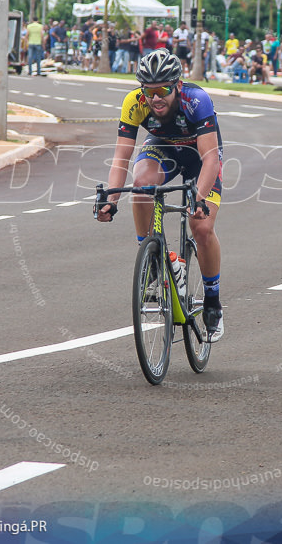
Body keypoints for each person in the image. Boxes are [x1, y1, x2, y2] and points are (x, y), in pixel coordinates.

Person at [95, 49, 226, 342]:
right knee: (141, 185)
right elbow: (121, 158)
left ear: (177, 85)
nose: (155, 98)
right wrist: (110, 201)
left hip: (199, 156)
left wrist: (200, 199)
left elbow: (210, 159)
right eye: (149, 90)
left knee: (201, 226)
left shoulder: (196, 100)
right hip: (163, 148)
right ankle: (155, 257)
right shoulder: (134, 102)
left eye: (163, 90)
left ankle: (213, 301)